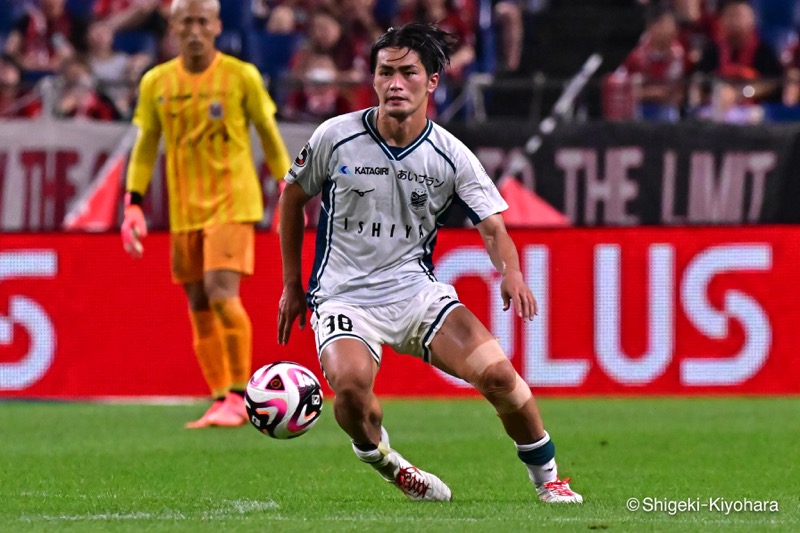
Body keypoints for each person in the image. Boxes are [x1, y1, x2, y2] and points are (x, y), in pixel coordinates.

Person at [277, 22, 582, 504]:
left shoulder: (450, 154)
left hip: (416, 294)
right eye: (386, 73)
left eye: (409, 73)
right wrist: (293, 284)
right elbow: (291, 200)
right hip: (343, 297)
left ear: (432, 81)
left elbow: (494, 226)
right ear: (373, 79)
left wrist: (513, 273)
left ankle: (549, 480)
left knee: (500, 377)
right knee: (353, 395)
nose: (396, 83)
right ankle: (388, 462)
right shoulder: (335, 137)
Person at [121, 0, 291, 428]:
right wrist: (133, 203)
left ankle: (239, 394)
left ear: (217, 26)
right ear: (172, 28)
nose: (195, 30)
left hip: (233, 202)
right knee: (197, 301)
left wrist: (288, 186)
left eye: (202, 21)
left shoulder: (241, 76)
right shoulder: (156, 82)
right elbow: (145, 147)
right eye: (186, 22)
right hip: (184, 211)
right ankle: (220, 396)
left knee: (220, 292)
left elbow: (269, 135)